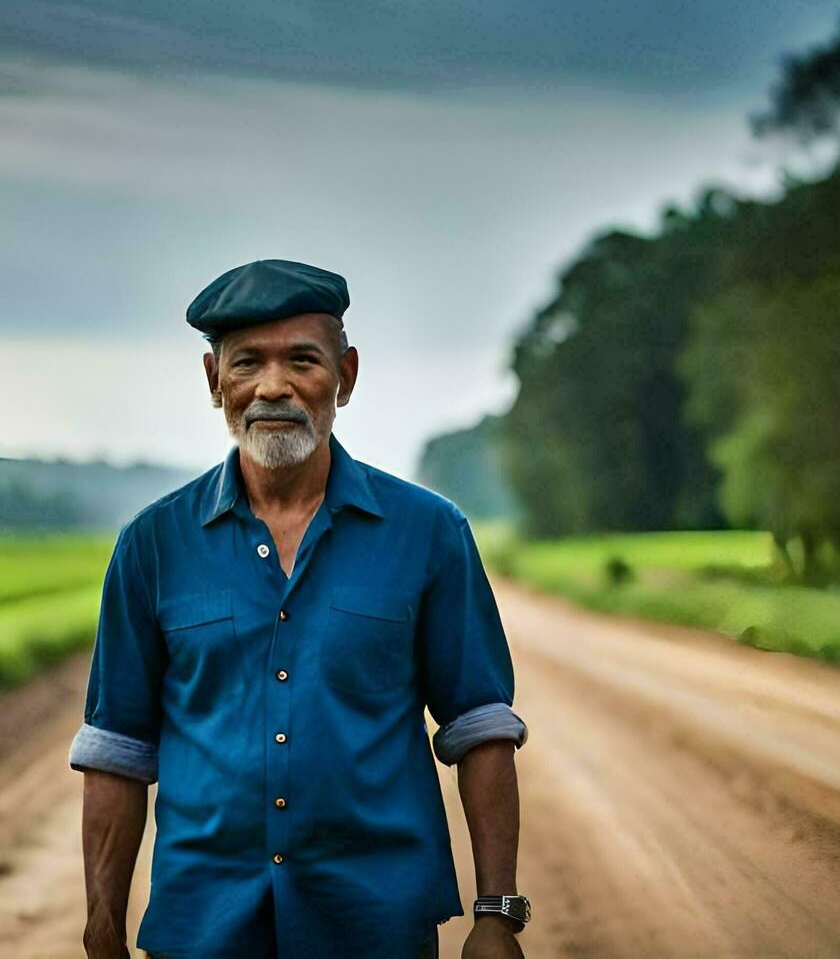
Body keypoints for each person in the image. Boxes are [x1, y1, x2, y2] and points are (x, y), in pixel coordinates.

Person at [69, 259, 530, 959]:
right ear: (213, 380)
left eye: (302, 360)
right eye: (247, 362)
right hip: (202, 927)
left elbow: (481, 726)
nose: (273, 386)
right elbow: (118, 752)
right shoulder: (152, 544)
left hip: (378, 925)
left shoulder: (429, 533)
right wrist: (102, 927)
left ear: (345, 376)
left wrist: (496, 914)